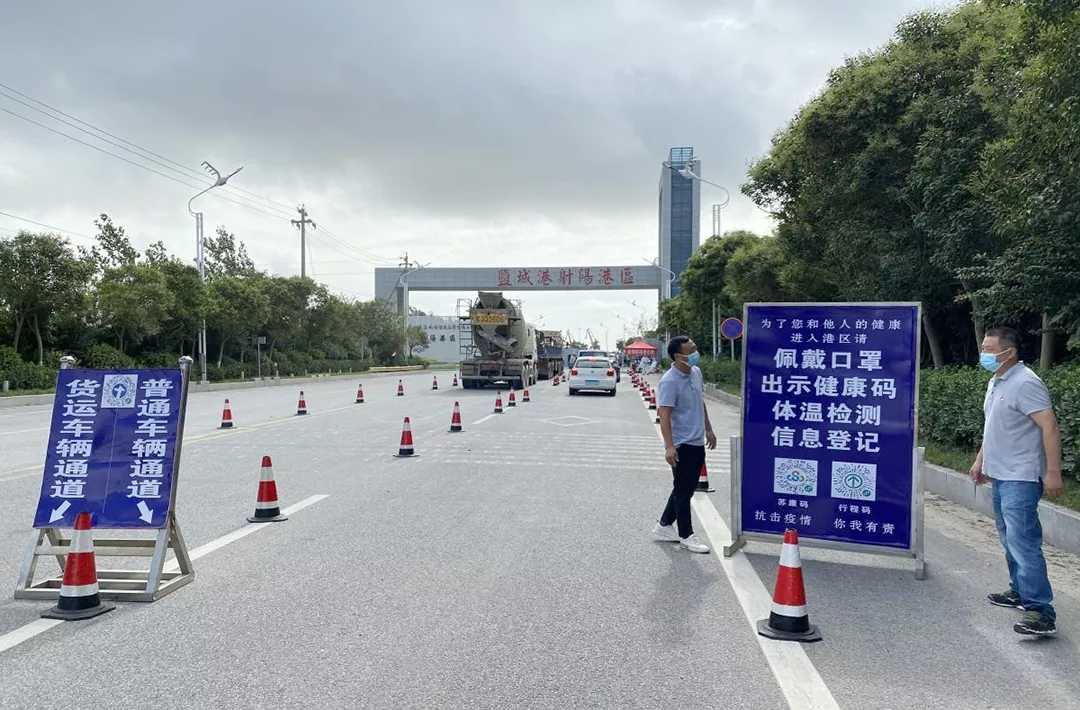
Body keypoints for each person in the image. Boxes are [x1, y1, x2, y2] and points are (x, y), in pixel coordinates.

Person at [969, 326, 1063, 636]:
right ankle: (1020, 591)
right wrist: (981, 461)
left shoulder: (1025, 383)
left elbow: (1049, 427)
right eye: (983, 347)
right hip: (1001, 473)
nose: (984, 354)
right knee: (1009, 539)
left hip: (1021, 477)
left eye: (989, 349)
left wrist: (1053, 472)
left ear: (1009, 352)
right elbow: (994, 427)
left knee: (1023, 543)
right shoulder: (997, 381)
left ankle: (1041, 611)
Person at [652, 335, 717, 553]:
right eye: (691, 350)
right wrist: (669, 446)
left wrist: (708, 429)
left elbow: (700, 402)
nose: (696, 353)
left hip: (697, 440)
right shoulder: (670, 381)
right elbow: (664, 414)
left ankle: (664, 525)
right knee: (685, 491)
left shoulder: (696, 372)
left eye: (695, 347)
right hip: (682, 443)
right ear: (678, 356)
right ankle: (686, 535)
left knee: (683, 487)